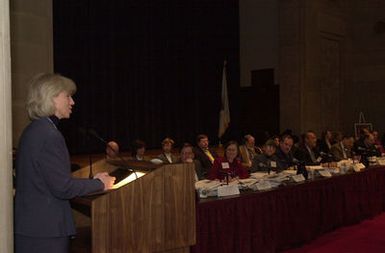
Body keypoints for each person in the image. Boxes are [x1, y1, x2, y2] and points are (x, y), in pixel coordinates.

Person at [14, 73, 115, 253]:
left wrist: (93, 181)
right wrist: (100, 183)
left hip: (33, 227)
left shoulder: (35, 129)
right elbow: (62, 187)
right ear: (51, 97)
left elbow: (49, 180)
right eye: (67, 96)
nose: (72, 102)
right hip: (46, 231)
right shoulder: (49, 135)